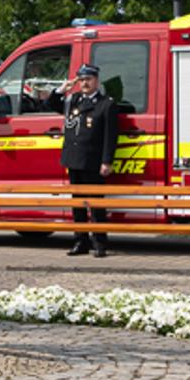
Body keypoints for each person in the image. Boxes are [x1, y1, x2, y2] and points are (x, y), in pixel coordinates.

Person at [60, 63, 117, 257]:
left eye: (88, 79)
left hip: (93, 161)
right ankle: (80, 241)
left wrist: (107, 161)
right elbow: (48, 104)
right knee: (77, 205)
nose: (85, 83)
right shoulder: (73, 100)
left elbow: (110, 136)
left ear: (96, 81)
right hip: (74, 160)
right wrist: (61, 90)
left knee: (96, 204)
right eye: (82, 79)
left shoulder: (106, 104)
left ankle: (100, 243)